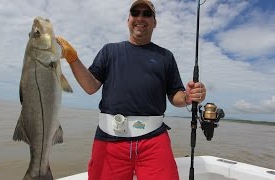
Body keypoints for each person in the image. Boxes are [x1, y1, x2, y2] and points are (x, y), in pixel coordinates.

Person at [56, 0, 206, 179]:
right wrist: (72, 58)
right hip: (109, 140)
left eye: (147, 14)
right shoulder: (110, 51)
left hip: (154, 141)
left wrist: (188, 97)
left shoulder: (166, 56)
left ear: (154, 22)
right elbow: (90, 86)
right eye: (135, 13)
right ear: (128, 19)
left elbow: (175, 95)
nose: (140, 18)